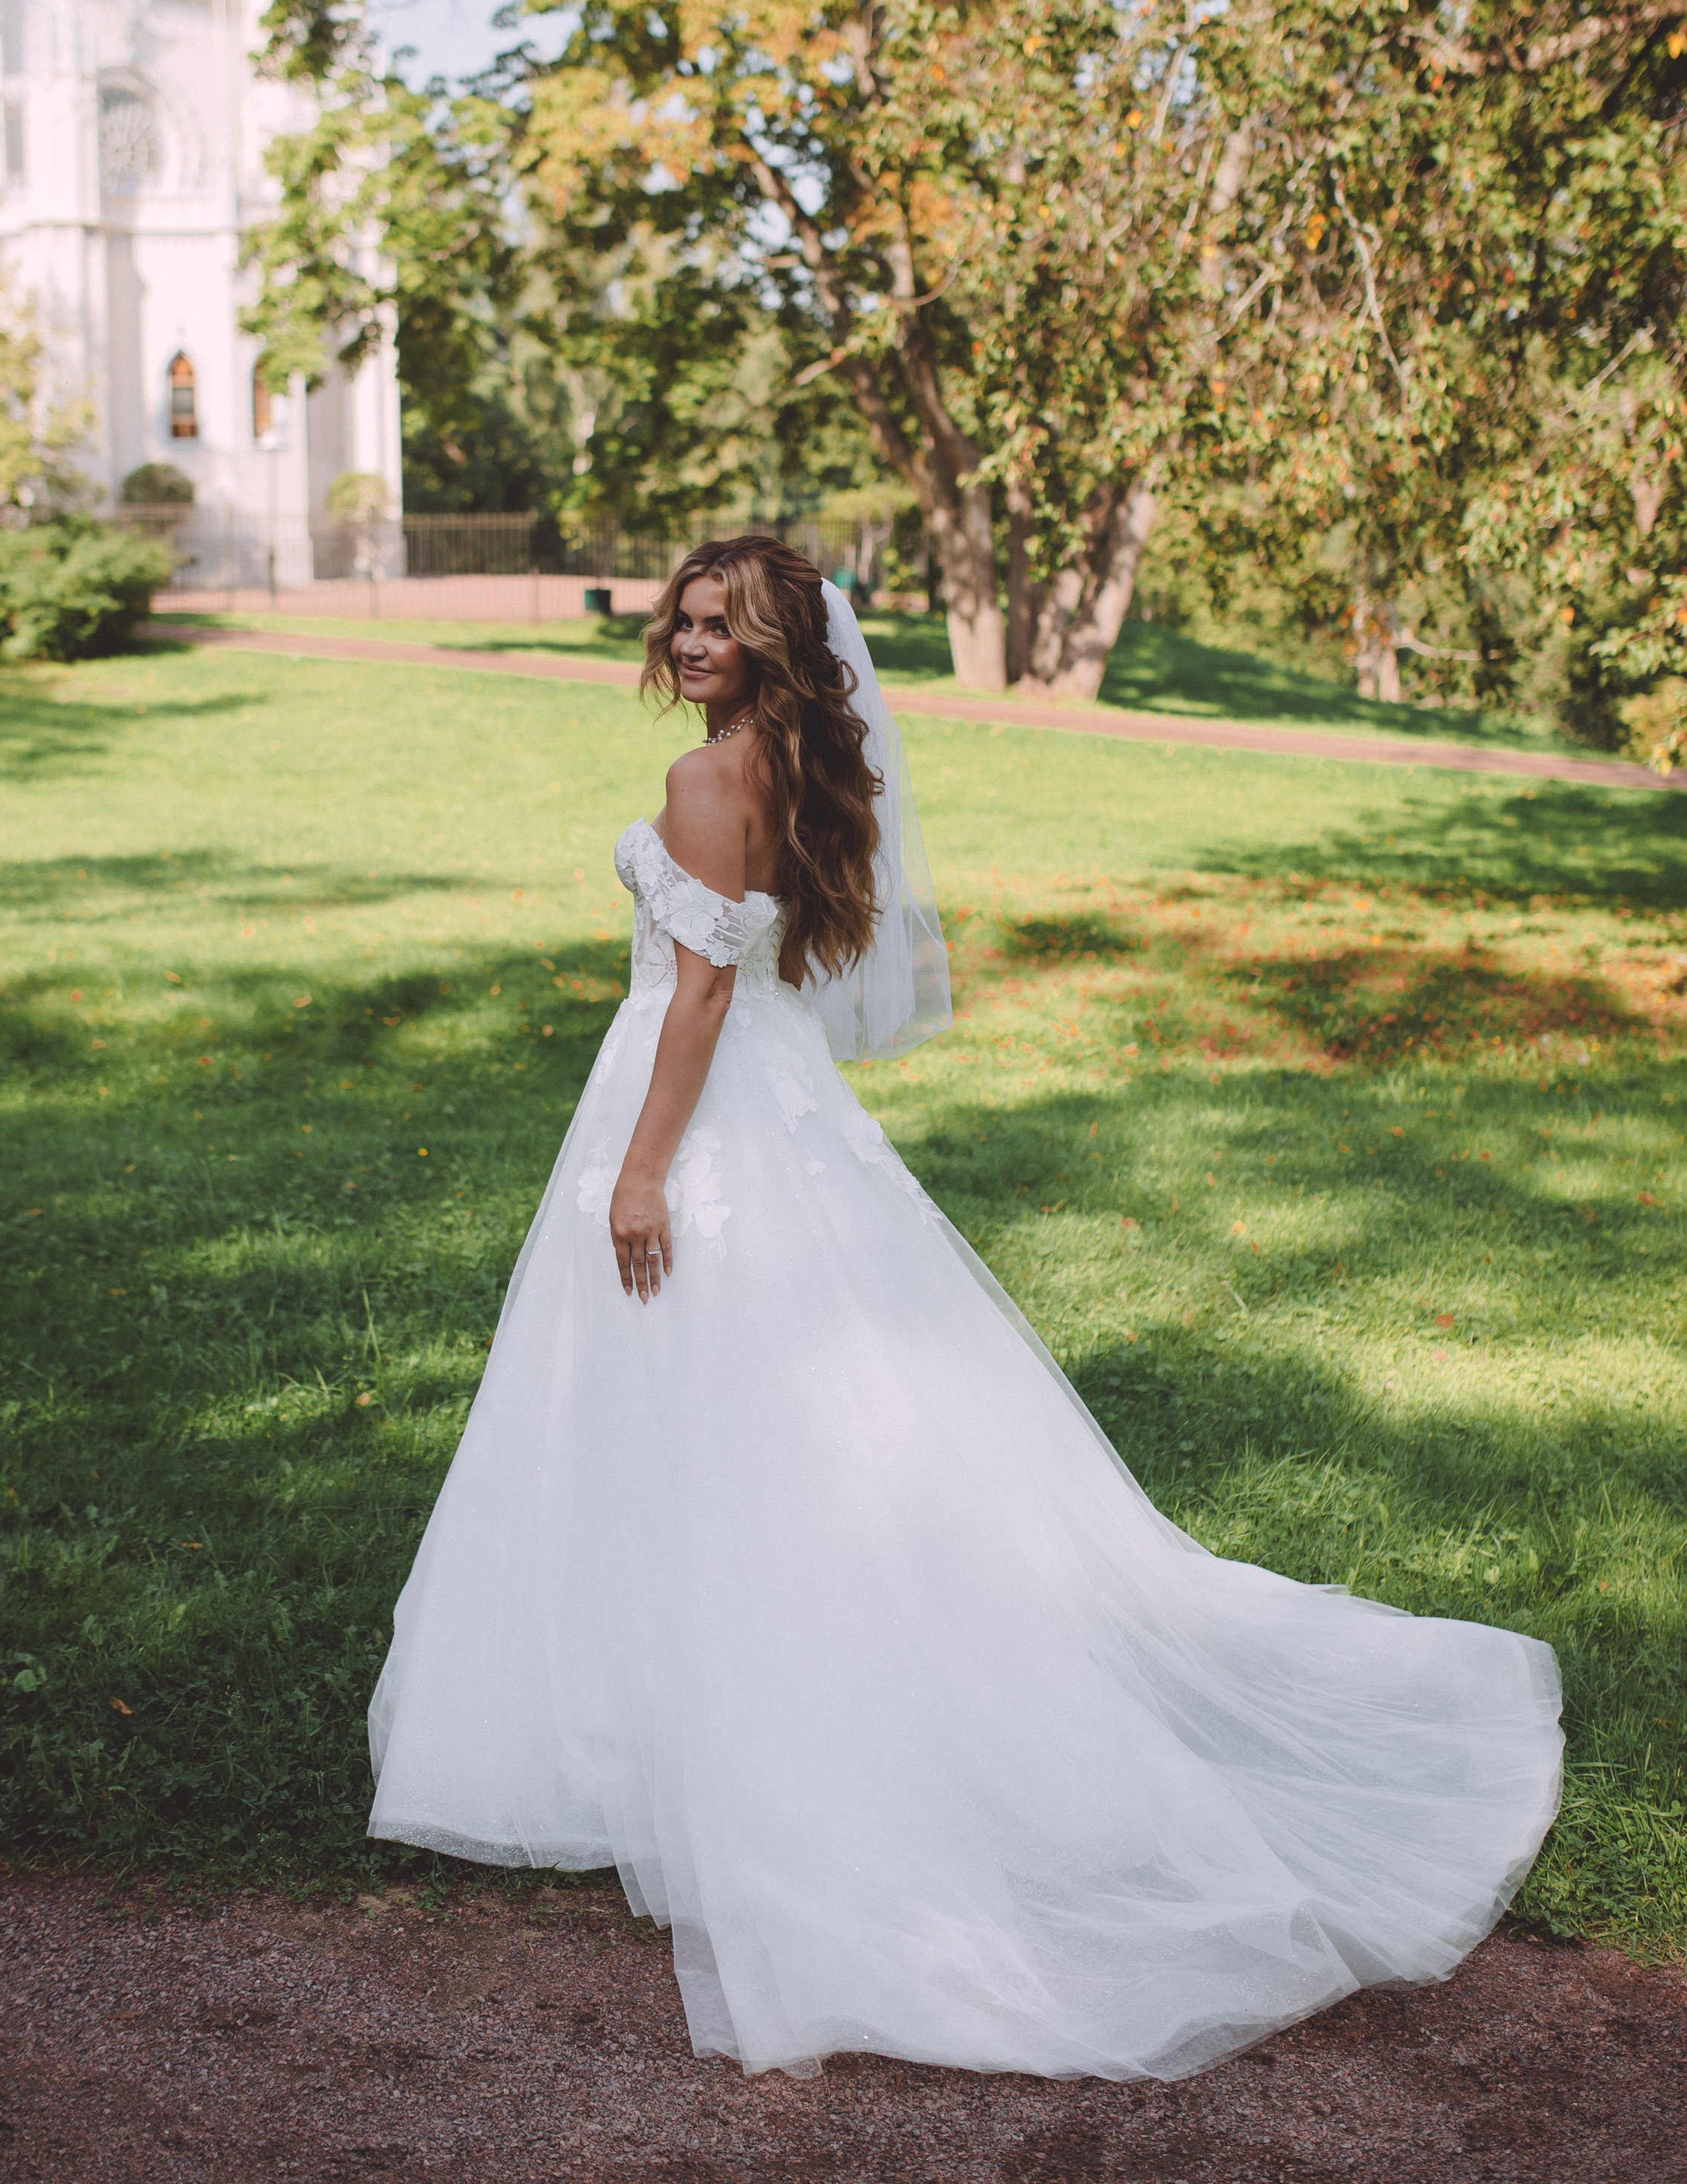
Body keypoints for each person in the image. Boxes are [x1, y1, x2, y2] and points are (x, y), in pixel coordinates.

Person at [367, 534, 1563, 2082]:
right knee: (778, 1418)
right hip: (778, 1109)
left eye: (720, 623)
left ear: (775, 646)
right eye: (681, 613)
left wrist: (644, 1170)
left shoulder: (702, 780)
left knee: (690, 1409)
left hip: (700, 1110)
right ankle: (674, 1718)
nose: (684, 636)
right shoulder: (795, 767)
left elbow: (701, 993)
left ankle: (734, 1736)